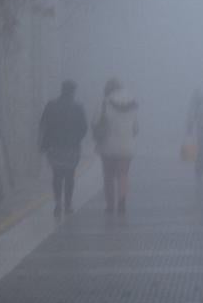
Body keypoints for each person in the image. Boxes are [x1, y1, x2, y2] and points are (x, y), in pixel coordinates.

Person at [39, 80, 88, 217]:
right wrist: (77, 138)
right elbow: (84, 128)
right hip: (72, 147)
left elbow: (43, 124)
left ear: (62, 90)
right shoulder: (78, 108)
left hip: (54, 147)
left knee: (57, 175)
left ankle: (57, 203)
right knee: (70, 175)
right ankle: (68, 203)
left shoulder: (51, 105)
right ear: (73, 91)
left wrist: (45, 143)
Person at [94, 78, 138, 214]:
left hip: (108, 146)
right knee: (123, 174)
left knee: (108, 176)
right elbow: (136, 128)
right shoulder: (133, 103)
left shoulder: (105, 102)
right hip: (127, 146)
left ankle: (110, 205)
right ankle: (122, 202)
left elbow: (96, 122)